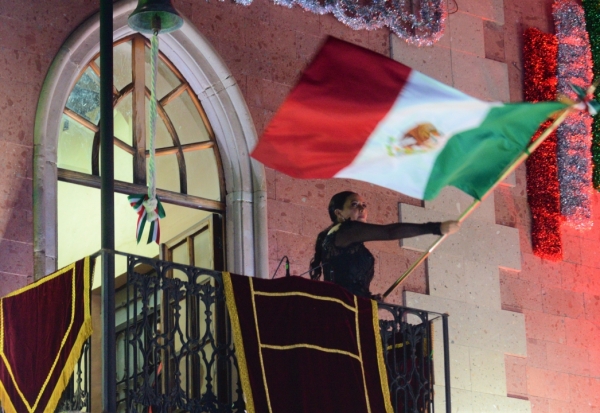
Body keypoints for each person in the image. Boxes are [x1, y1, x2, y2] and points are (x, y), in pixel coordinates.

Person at [309, 191, 460, 300]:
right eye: (354, 205)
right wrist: (435, 228)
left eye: (364, 205)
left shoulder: (339, 236)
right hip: (345, 312)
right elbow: (390, 232)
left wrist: (369, 299)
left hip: (348, 308)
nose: (362, 209)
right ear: (339, 213)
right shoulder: (347, 230)